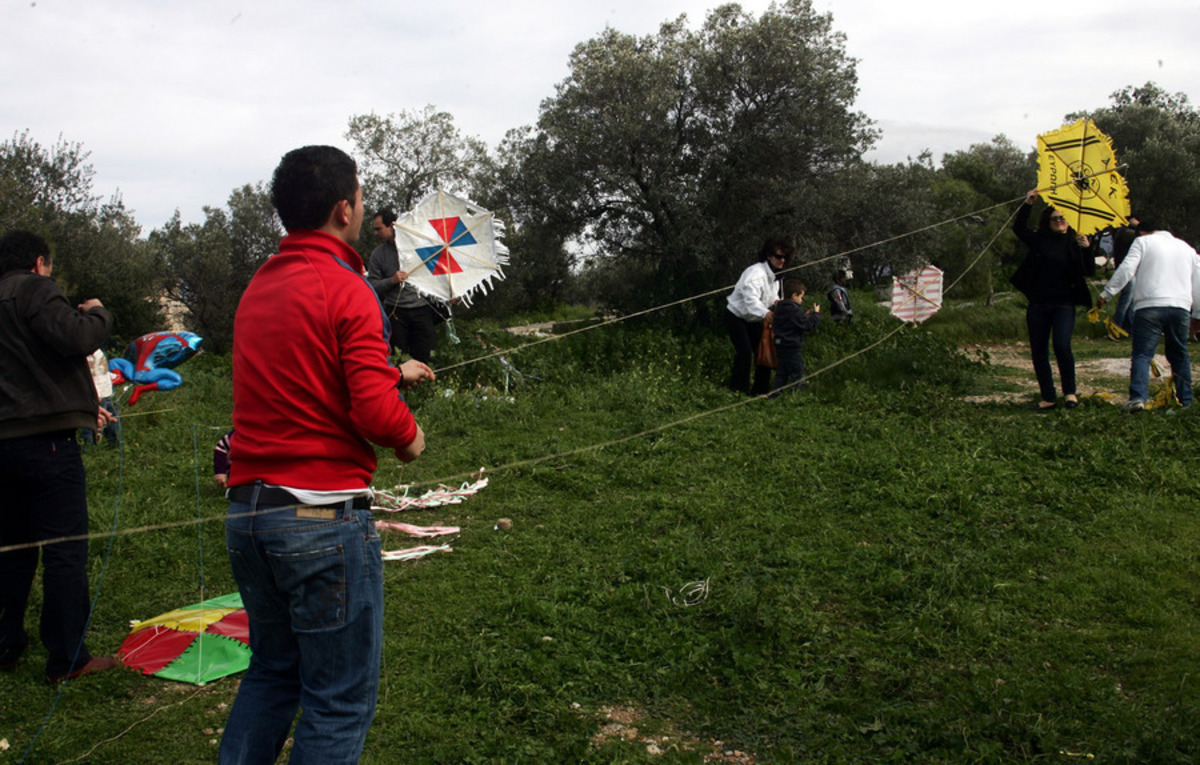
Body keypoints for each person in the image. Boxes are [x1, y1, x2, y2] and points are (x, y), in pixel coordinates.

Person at [220, 146, 435, 764]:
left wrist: (389, 373)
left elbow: (309, 375)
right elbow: (371, 411)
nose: (363, 208)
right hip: (319, 520)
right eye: (361, 198)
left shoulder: (259, 286)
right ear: (344, 209)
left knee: (271, 675)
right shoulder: (348, 287)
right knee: (337, 704)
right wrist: (409, 436)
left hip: (249, 515)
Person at [0, 230, 119, 683]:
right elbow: (78, 336)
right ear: (38, 263)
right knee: (64, 551)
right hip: (48, 444)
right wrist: (95, 311)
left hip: (3, 444)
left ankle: (6, 642)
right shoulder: (34, 290)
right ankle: (68, 657)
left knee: (11, 549)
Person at [1096, 217, 1200, 412]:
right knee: (1180, 354)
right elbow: (1198, 281)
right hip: (1180, 306)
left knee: (1143, 354)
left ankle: (1138, 397)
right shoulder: (1187, 248)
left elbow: (1126, 269)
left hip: (1149, 306)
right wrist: (1198, 316)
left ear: (1142, 232)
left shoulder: (1142, 242)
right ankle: (1185, 400)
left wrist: (1106, 294)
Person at [1011, 190, 1097, 411]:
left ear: (1068, 222)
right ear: (1048, 222)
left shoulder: (1075, 243)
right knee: (1039, 350)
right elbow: (1018, 229)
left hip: (1064, 304)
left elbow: (1089, 271)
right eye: (1055, 219)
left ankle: (1070, 393)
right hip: (1039, 303)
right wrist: (1028, 203)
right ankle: (1048, 397)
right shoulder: (1040, 240)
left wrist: (1087, 249)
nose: (1059, 221)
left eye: (1062, 218)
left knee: (1061, 345)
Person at [366, 208, 441, 364]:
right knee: (397, 359)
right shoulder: (378, 255)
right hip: (395, 313)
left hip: (422, 310)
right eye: (374, 229)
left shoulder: (418, 247)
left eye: (378, 229)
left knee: (426, 357)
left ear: (391, 226)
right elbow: (371, 286)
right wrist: (391, 280)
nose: (375, 233)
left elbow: (437, 274)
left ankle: (427, 387)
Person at [725, 238, 789, 395]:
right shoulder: (755, 273)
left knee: (764, 350)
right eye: (778, 256)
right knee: (744, 351)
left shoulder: (776, 276)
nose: (782, 260)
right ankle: (738, 391)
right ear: (768, 255)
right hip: (736, 315)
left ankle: (760, 392)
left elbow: (772, 297)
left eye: (784, 257)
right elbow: (750, 300)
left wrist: (783, 307)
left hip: (755, 319)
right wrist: (766, 313)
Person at [770, 278, 821, 397]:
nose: (802, 300)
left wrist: (804, 316)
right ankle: (798, 398)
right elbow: (808, 325)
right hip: (791, 346)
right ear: (794, 295)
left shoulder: (780, 308)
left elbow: (791, 323)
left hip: (780, 344)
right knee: (797, 373)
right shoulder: (794, 310)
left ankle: (775, 396)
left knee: (781, 373)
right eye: (801, 297)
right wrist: (816, 314)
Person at [80, 348, 119, 446]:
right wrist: (96, 394)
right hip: (97, 394)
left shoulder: (97, 351)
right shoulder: (87, 354)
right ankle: (90, 447)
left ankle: (113, 443)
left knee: (111, 418)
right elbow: (90, 375)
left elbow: (101, 371)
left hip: (106, 392)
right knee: (94, 423)